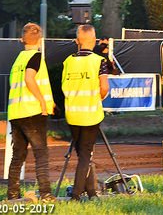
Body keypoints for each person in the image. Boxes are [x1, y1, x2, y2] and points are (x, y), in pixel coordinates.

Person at [7, 23, 55, 202]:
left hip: (16, 113)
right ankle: (45, 193)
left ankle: (12, 194)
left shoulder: (18, 59)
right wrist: (43, 101)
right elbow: (29, 79)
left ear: (21, 40)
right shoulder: (36, 57)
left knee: (18, 155)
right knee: (41, 153)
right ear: (40, 40)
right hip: (32, 112)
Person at [61, 25, 109, 201]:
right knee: (85, 156)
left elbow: (64, 87)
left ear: (77, 41)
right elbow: (104, 87)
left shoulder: (68, 61)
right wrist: (98, 99)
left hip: (72, 114)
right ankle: (75, 196)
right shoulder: (98, 61)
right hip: (90, 114)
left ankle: (92, 193)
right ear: (95, 40)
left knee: (82, 155)